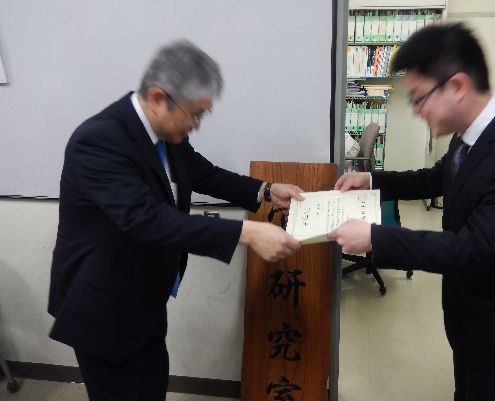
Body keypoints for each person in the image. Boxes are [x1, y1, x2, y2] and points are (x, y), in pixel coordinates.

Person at [47, 40, 304, 401]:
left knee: (151, 387)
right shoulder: (98, 141)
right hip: (104, 307)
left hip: (145, 297)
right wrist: (246, 232)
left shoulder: (166, 133)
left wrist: (265, 190)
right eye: (195, 114)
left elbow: (201, 172)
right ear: (157, 98)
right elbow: (147, 219)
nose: (196, 125)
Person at [329, 23, 495, 401]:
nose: (416, 111)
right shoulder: (472, 131)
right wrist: (371, 180)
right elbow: (433, 179)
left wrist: (375, 237)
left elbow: (474, 249)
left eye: (419, 98)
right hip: (474, 321)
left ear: (457, 86)